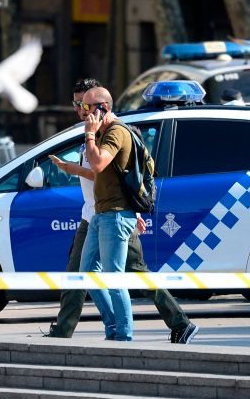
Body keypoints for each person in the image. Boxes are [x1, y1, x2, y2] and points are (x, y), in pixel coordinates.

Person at [44, 80, 197, 344]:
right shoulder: (98, 132)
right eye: (77, 105)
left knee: (119, 276)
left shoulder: (112, 132)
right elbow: (99, 173)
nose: (80, 111)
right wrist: (71, 168)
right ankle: (112, 329)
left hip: (114, 215)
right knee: (85, 275)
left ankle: (125, 334)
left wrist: (90, 135)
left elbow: (100, 164)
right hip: (96, 215)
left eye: (84, 105)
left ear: (101, 107)